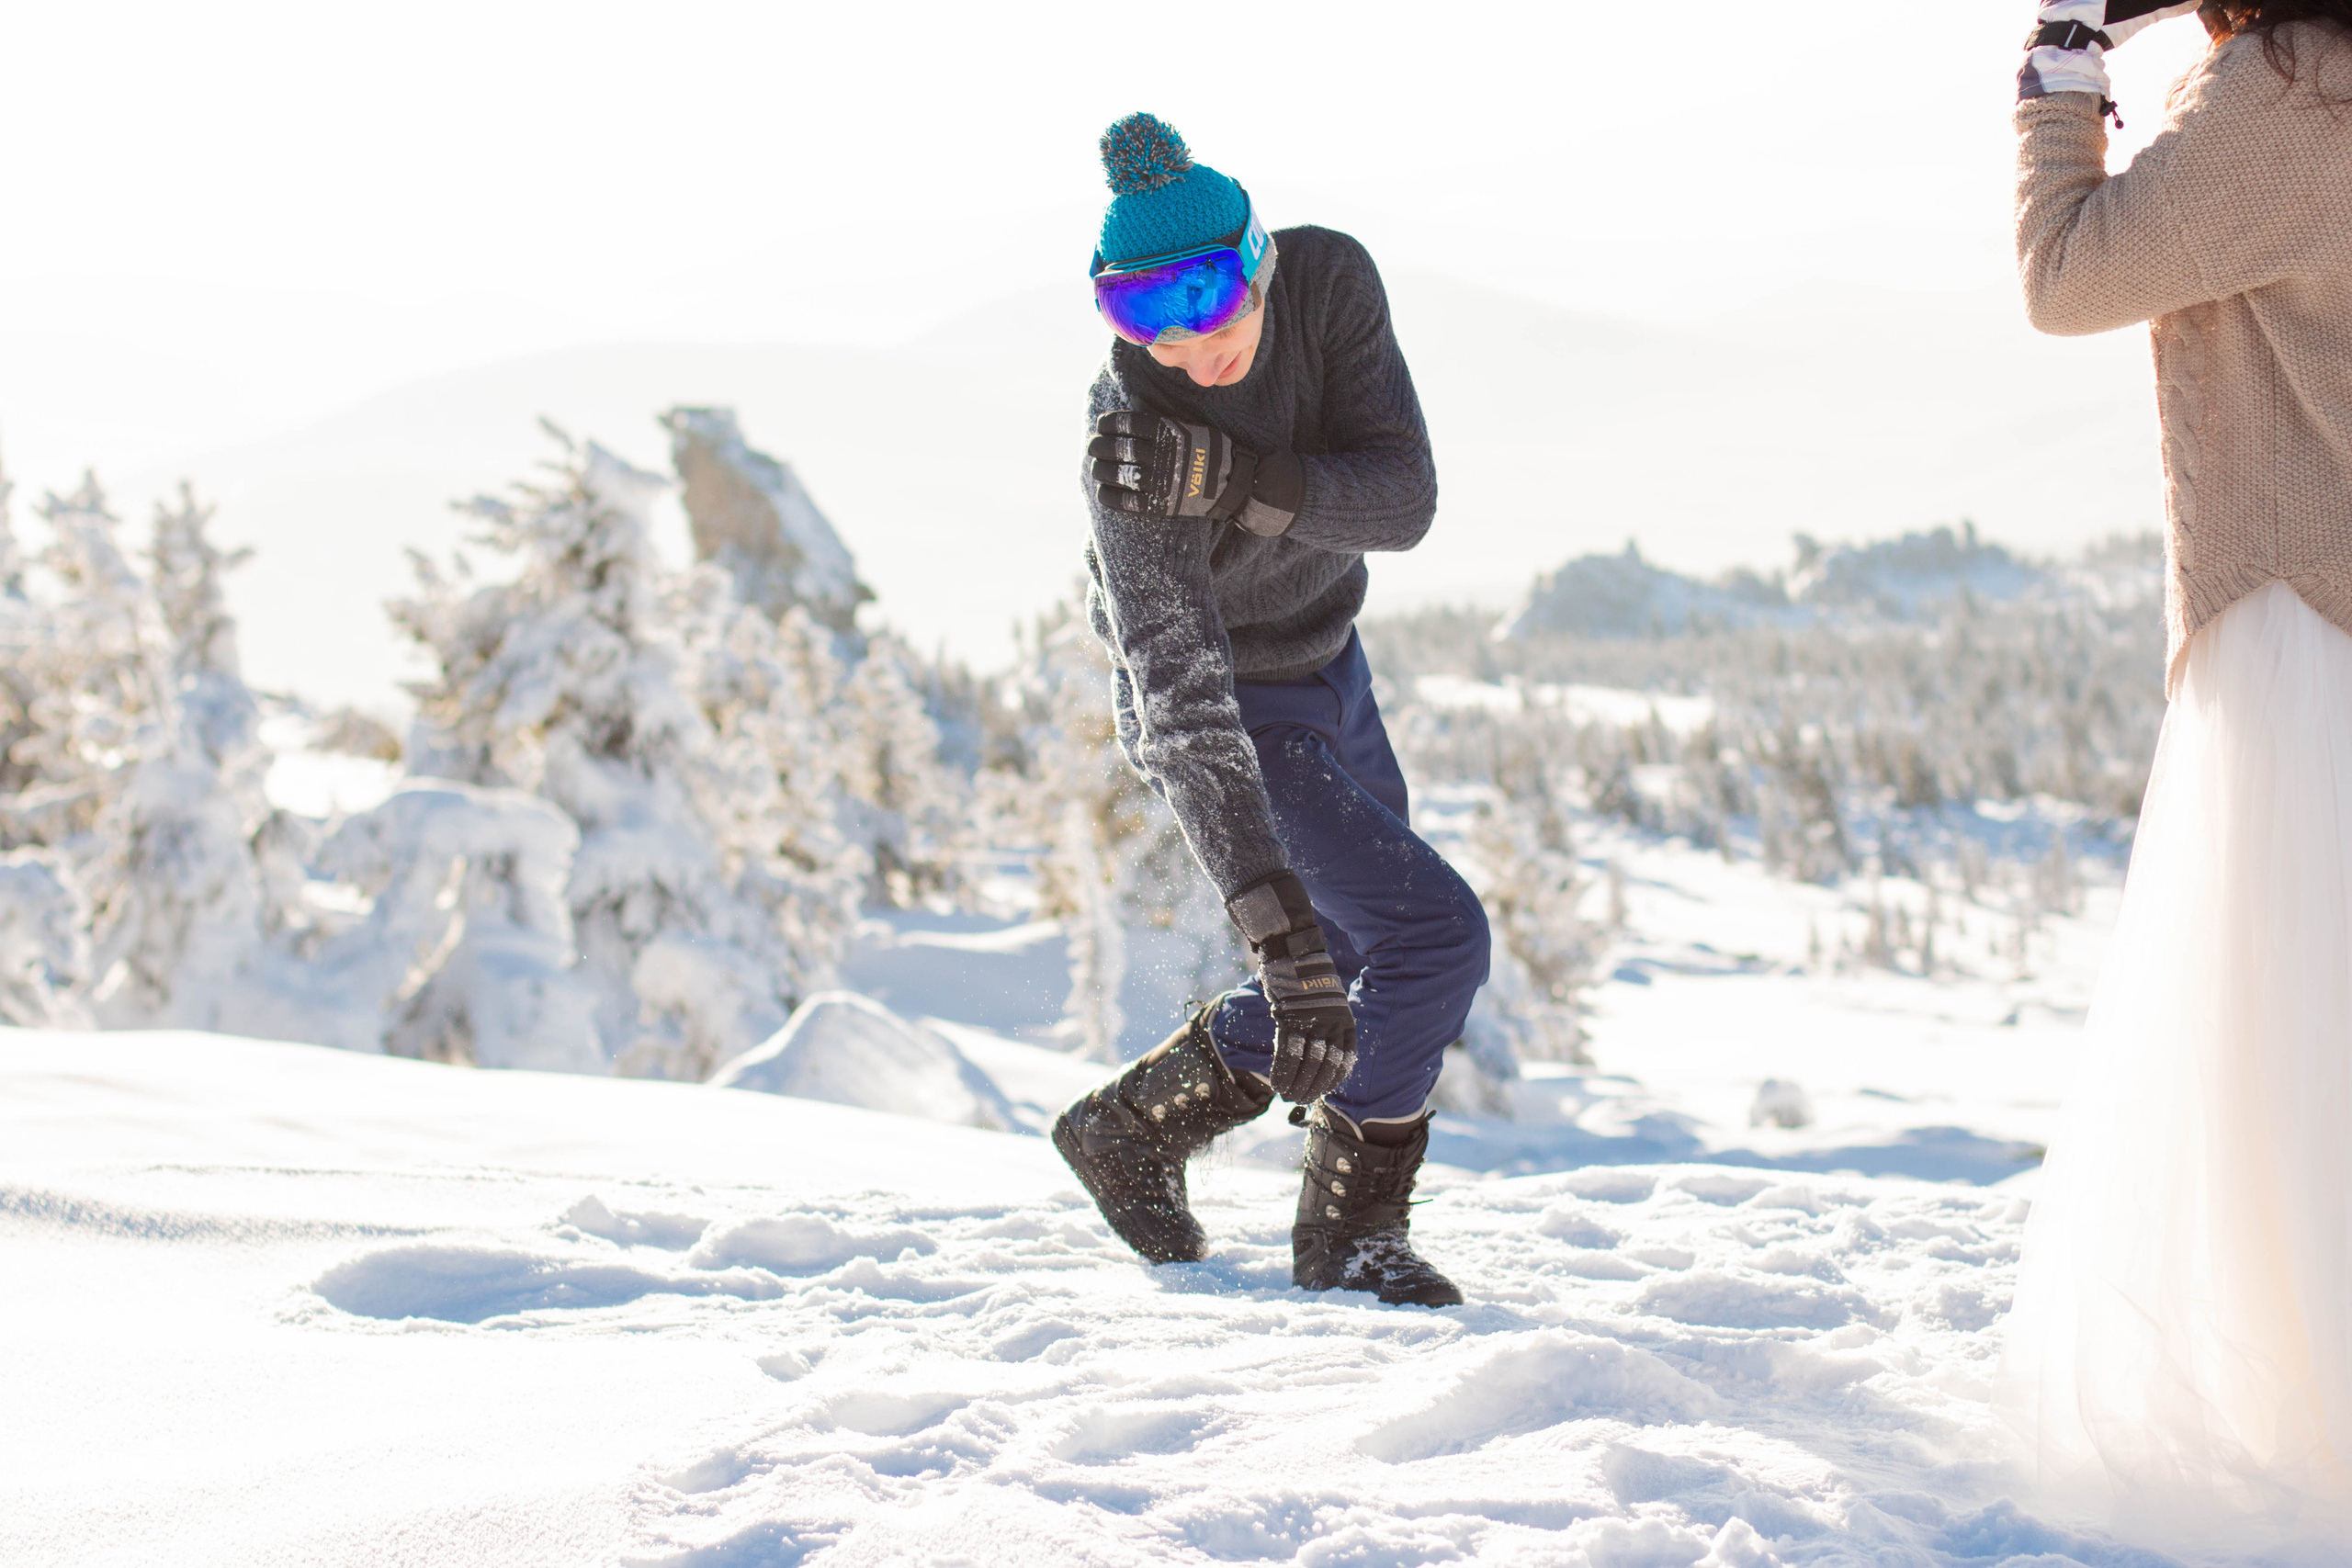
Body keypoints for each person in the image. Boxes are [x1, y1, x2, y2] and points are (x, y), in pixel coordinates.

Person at [1996, 0, 2352, 1549]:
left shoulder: (2297, 89)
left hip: (2308, 613)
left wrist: (2063, 74)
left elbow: (2070, 278)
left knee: (2292, 1027)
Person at [1049, 113, 1490, 1308]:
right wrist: (1272, 934)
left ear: (1257, 257)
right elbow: (1180, 701)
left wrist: (1243, 483)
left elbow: (1401, 502)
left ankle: (1134, 1127)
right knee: (1431, 940)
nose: (1189, 348)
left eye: (1207, 298)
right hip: (1229, 716)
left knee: (1359, 952)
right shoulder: (1131, 450)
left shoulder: (1329, 281)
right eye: (1146, 318)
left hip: (1326, 664)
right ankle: (1348, 1237)